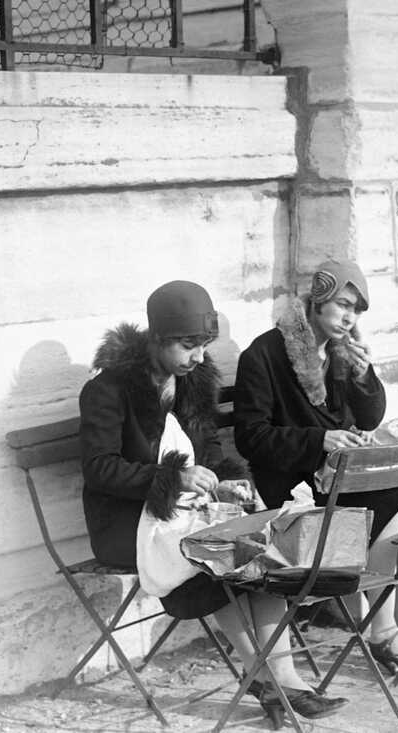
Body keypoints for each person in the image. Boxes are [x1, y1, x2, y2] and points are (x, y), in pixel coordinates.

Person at [78, 280, 347, 727]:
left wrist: (225, 483)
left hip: (183, 515)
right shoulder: (109, 389)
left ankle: (282, 678)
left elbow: (210, 455)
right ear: (157, 338)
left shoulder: (190, 381)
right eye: (189, 345)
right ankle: (271, 683)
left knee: (252, 542)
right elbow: (99, 469)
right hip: (125, 522)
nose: (199, 357)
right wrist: (171, 478)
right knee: (217, 551)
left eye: (204, 345)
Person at [233, 260, 398, 674]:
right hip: (292, 483)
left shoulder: (339, 350)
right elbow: (251, 437)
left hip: (338, 476)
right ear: (317, 300)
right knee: (388, 511)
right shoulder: (264, 354)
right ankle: (383, 633)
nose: (349, 317)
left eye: (356, 310)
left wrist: (364, 377)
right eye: (342, 305)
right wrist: (320, 440)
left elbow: (368, 418)